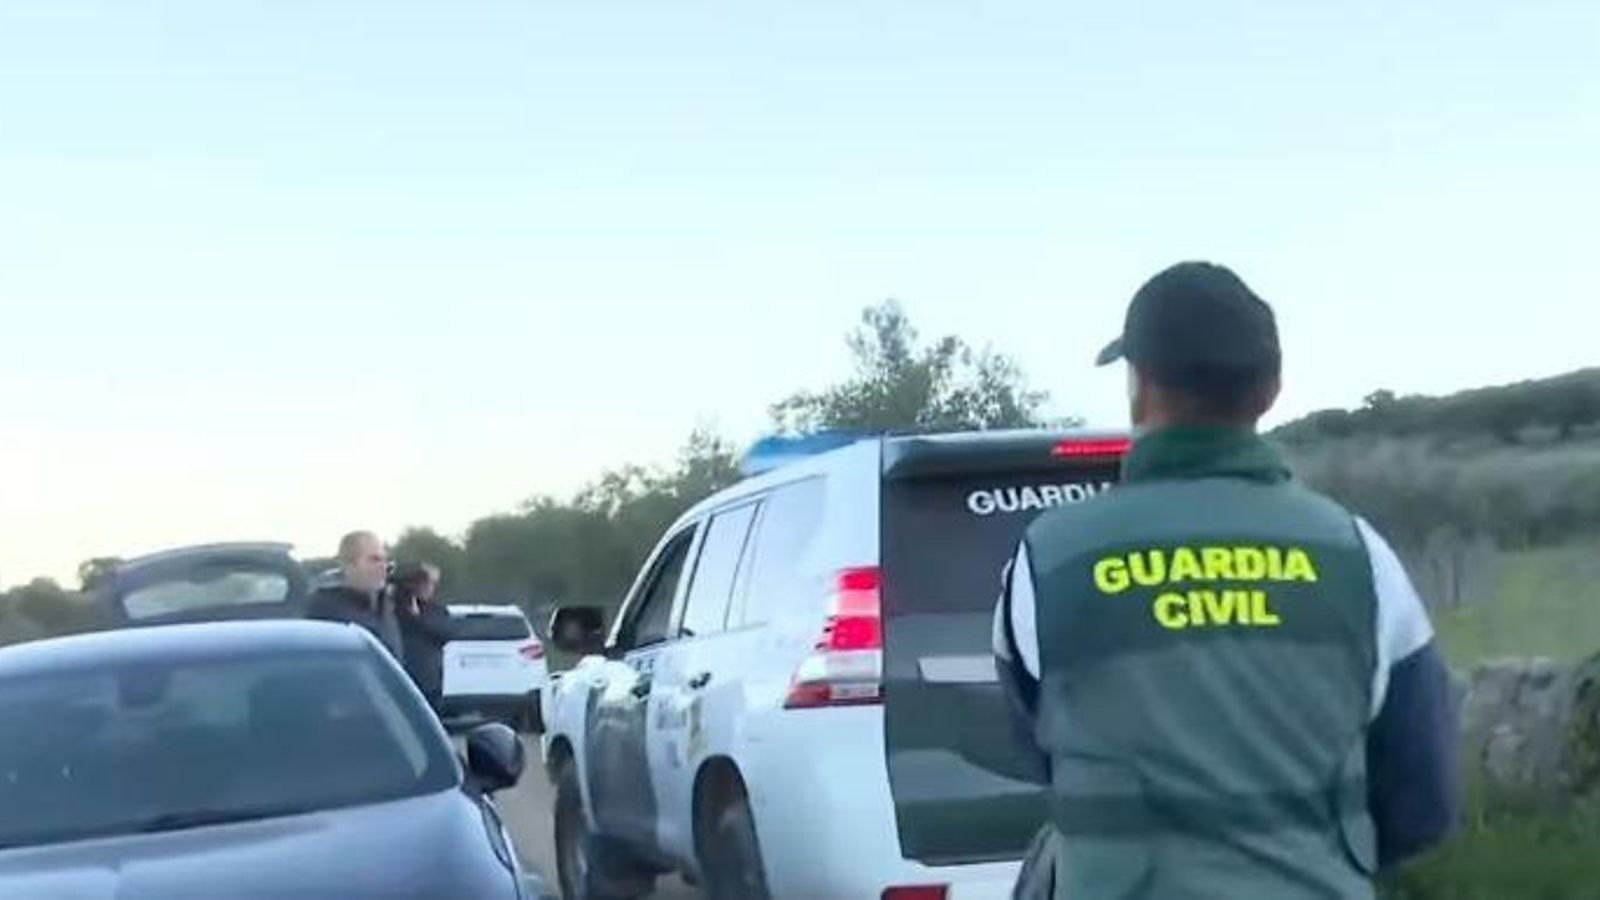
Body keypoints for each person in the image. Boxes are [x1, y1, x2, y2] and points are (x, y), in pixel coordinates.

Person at [994, 262, 1459, 899]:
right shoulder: (1359, 556)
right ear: (1271, 391)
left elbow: (1043, 750)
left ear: (1139, 385)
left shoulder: (1046, 562)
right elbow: (1421, 801)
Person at [306, 530, 404, 660]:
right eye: (374, 560)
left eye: (385, 560)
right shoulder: (324, 614)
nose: (383, 566)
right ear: (348, 565)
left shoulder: (386, 606)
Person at [393, 561, 454, 713]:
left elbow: (445, 634)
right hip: (399, 677)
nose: (428, 588)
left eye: (433, 583)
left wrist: (417, 618)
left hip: (429, 682)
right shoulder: (393, 608)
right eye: (425, 583)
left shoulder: (437, 611)